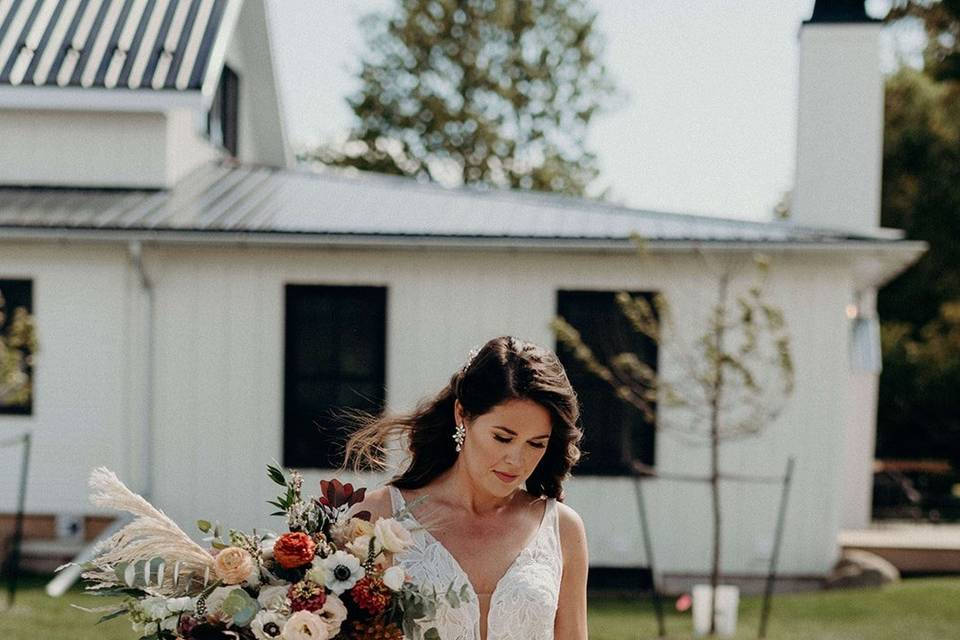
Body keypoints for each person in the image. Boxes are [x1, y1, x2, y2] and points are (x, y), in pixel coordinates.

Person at [342, 336, 589, 640]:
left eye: (536, 444)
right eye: (502, 437)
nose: (516, 460)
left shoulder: (561, 529)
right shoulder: (378, 517)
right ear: (462, 414)